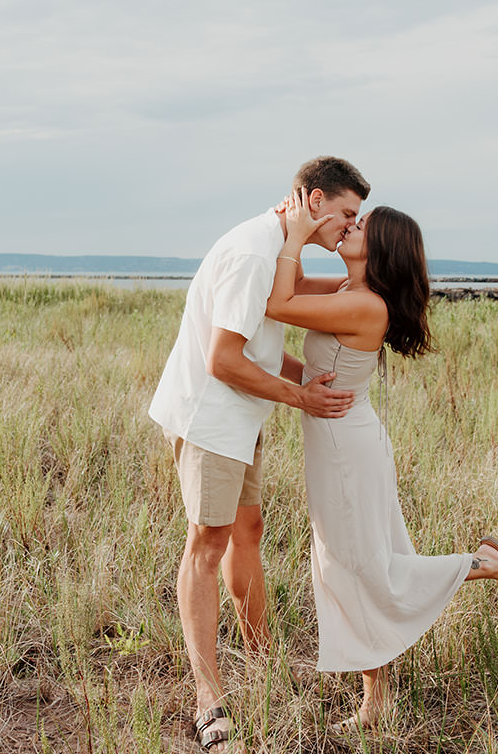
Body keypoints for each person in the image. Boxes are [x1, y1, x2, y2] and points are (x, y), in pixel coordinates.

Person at [264, 189, 498, 730]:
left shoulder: (366, 305)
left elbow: (277, 304)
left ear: (381, 248)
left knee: (362, 569)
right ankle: (377, 700)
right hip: (342, 442)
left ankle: (482, 565)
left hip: (347, 450)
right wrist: (294, 233)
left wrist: (297, 234)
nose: (348, 226)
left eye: (360, 224)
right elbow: (287, 283)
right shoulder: (346, 289)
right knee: (356, 565)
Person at [148, 157, 372, 752]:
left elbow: (273, 323)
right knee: (207, 544)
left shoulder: (279, 246)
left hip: (242, 414)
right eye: (347, 214)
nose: (350, 226)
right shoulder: (254, 252)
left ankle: (262, 661)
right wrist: (301, 395)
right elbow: (223, 359)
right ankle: (208, 697)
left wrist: (307, 374)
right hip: (211, 416)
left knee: (247, 531)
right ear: (315, 200)